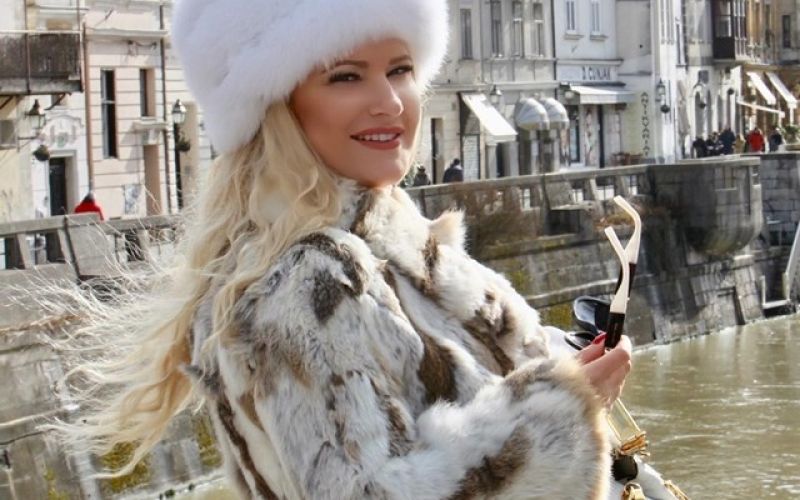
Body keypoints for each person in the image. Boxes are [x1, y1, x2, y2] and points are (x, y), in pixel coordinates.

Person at [57, 1, 633, 498]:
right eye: (346, 76)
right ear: (278, 106)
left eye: (400, 69)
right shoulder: (309, 280)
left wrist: (571, 369)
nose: (390, 102)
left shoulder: (391, 237)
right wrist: (561, 408)